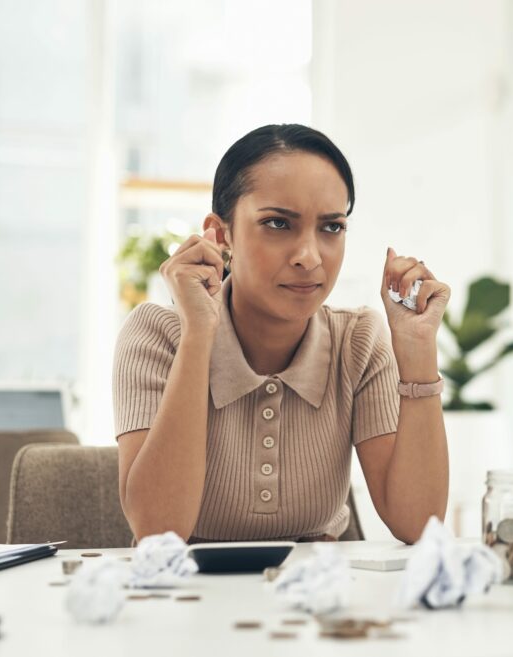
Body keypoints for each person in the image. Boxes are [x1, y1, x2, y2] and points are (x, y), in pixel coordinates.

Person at [113, 124, 450, 544]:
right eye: (277, 223)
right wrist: (198, 334)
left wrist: (418, 352)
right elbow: (157, 531)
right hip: (185, 597)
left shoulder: (358, 340)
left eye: (331, 228)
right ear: (221, 235)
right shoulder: (156, 335)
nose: (309, 257)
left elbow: (419, 525)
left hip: (316, 598)